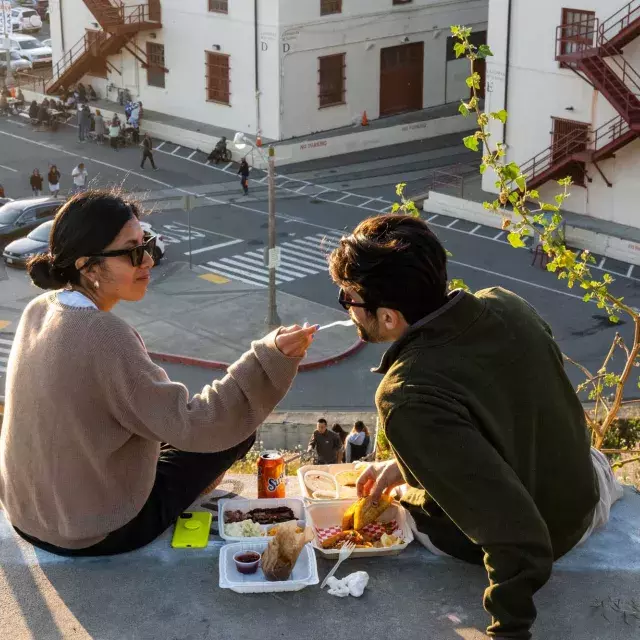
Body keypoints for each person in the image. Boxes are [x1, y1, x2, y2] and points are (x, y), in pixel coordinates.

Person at [328, 214, 624, 640]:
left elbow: (515, 535)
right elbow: (518, 408)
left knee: (408, 512)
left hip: (542, 539)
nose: (345, 304)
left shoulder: (406, 394)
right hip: (585, 497)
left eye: (349, 299)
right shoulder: (507, 304)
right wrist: (406, 462)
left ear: (390, 317)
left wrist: (509, 629)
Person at [0, 192, 317, 557]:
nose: (148, 259)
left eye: (146, 244)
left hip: (28, 514)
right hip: (95, 530)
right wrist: (267, 358)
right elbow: (199, 423)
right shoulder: (105, 335)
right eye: (133, 251)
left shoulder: (39, 309)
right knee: (236, 430)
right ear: (88, 266)